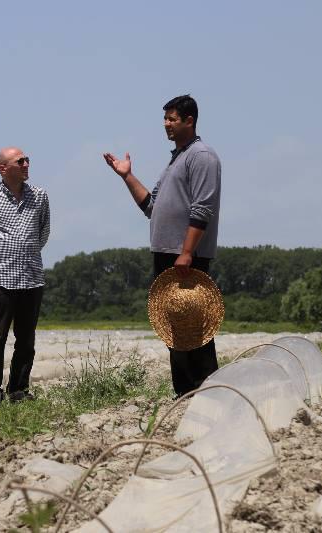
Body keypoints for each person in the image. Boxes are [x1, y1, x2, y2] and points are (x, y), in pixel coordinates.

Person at [103, 94, 221, 397]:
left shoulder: (202, 156)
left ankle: (207, 389)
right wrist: (127, 176)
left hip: (184, 255)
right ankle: (184, 391)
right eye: (165, 119)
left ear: (189, 121)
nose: (166, 125)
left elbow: (202, 209)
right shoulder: (176, 159)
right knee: (174, 328)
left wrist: (186, 252)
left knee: (194, 323)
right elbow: (151, 207)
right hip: (165, 252)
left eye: (172, 119)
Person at [0, 147, 50, 405]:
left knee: (26, 339)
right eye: (20, 160)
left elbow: (43, 233)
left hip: (31, 277)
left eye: (27, 159)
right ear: (3, 168)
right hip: (0, 278)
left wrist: (25, 254)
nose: (27, 163)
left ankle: (19, 389)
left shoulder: (40, 196)